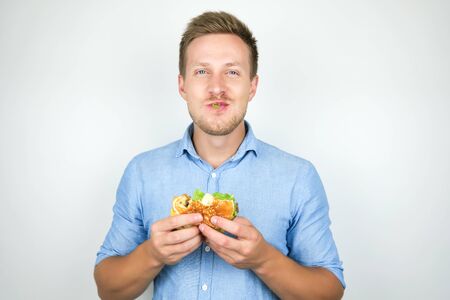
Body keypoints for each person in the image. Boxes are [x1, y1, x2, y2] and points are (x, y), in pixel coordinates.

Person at [94, 11, 345, 300]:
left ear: (252, 86)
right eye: (202, 71)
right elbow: (108, 289)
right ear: (182, 85)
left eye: (232, 72)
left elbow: (330, 291)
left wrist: (264, 259)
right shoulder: (142, 172)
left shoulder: (299, 177)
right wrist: (152, 253)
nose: (217, 88)